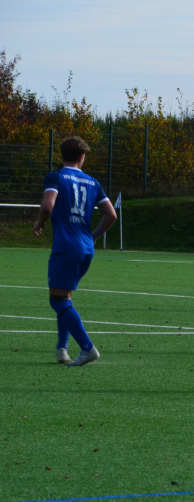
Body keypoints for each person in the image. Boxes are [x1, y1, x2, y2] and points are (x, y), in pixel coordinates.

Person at [32, 136, 117, 366]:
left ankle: (87, 348)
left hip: (66, 247)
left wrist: (40, 222)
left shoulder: (55, 177)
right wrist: (94, 236)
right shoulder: (93, 182)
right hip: (85, 248)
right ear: (82, 157)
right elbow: (111, 215)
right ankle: (62, 348)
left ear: (63, 155)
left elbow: (48, 205)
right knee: (65, 297)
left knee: (57, 301)